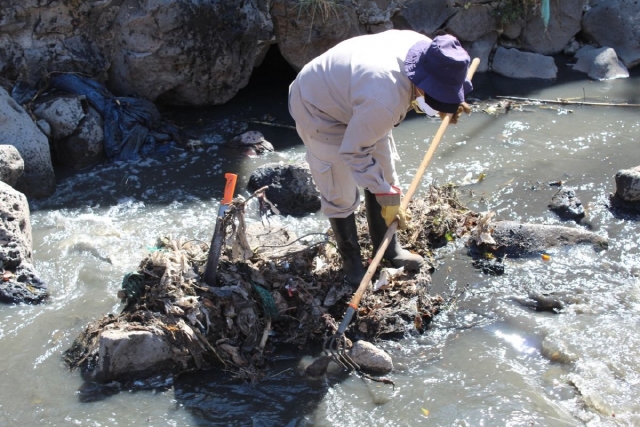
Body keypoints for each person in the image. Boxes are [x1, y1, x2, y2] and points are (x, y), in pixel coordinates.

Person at [288, 29, 473, 287]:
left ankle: (388, 249)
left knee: (384, 174)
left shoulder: (432, 54)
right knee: (339, 189)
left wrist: (384, 187)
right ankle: (351, 261)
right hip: (320, 107)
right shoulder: (385, 99)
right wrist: (384, 191)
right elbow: (354, 152)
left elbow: (376, 153)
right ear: (421, 83)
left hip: (360, 96)